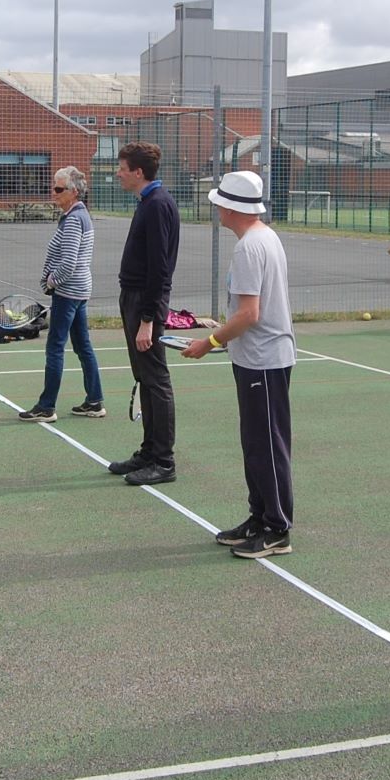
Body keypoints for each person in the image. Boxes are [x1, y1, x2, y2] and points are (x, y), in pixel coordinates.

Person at [181, 170, 295, 559]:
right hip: (257, 358)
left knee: (266, 445)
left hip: (263, 360)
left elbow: (250, 314)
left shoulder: (249, 246)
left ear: (230, 207)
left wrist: (208, 342)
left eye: (218, 202)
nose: (215, 207)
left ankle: (277, 527)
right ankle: (260, 516)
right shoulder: (263, 237)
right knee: (256, 444)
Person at [105, 142, 181, 486]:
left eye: (122, 168)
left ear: (138, 172)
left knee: (155, 379)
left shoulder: (158, 206)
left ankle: (163, 461)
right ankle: (150, 451)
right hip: (135, 299)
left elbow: (160, 269)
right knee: (145, 378)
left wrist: (148, 319)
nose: (117, 173)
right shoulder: (148, 203)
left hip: (144, 303)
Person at [17, 166, 105, 422]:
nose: (53, 192)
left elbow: (69, 262)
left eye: (58, 188)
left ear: (73, 192)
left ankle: (47, 407)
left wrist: (51, 283)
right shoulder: (78, 215)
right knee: (82, 346)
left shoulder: (74, 219)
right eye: (53, 187)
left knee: (55, 347)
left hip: (68, 291)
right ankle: (94, 401)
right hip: (78, 290)